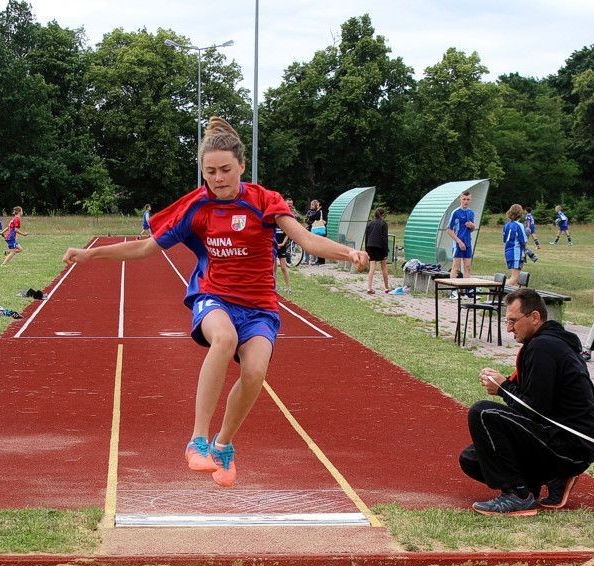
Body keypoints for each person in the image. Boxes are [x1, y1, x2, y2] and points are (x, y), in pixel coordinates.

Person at [62, 117, 368, 488]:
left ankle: (223, 445)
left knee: (254, 373)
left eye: (225, 170)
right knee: (224, 339)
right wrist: (91, 255)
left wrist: (347, 252)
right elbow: (145, 248)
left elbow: (306, 240)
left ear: (241, 166)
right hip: (214, 296)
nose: (218, 178)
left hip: (260, 307)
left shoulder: (264, 201)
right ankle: (197, 440)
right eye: (210, 172)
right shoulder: (197, 206)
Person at [460, 288, 594, 515]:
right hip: (563, 441)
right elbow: (537, 402)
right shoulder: (548, 343)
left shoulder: (543, 347)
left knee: (482, 413)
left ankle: (518, 495)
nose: (508, 328)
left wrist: (503, 388)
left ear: (535, 317)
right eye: (507, 321)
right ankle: (542, 482)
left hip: (570, 445)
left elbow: (534, 409)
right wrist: (506, 385)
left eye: (513, 321)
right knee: (472, 458)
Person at [445, 191, 476, 288]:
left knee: (467, 267)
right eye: (464, 199)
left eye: (468, 199)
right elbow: (448, 230)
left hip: (468, 243)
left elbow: (472, 229)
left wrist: (472, 226)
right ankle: (453, 290)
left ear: (470, 200)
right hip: (458, 243)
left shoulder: (471, 213)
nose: (466, 201)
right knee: (456, 267)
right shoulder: (455, 212)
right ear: (460, 200)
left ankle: (466, 290)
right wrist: (459, 241)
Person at [363, 209, 390, 294]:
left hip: (370, 246)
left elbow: (366, 237)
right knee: (384, 267)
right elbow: (385, 239)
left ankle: (369, 288)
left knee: (372, 267)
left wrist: (367, 250)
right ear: (383, 215)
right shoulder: (384, 224)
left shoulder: (370, 223)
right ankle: (386, 288)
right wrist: (385, 252)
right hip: (380, 247)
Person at [502, 204, 528, 287]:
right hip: (516, 253)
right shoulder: (519, 225)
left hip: (508, 252)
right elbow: (523, 241)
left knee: (515, 282)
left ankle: (515, 294)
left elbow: (504, 240)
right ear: (520, 213)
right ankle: (498, 290)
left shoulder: (506, 225)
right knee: (514, 278)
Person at [274, 199, 293, 294]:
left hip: (282, 245)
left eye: (291, 204)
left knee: (283, 267)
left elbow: (288, 233)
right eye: (288, 204)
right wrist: (274, 243)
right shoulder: (274, 219)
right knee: (273, 268)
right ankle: (274, 287)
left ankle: (288, 287)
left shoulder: (287, 218)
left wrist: (283, 243)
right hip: (274, 245)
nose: (289, 205)